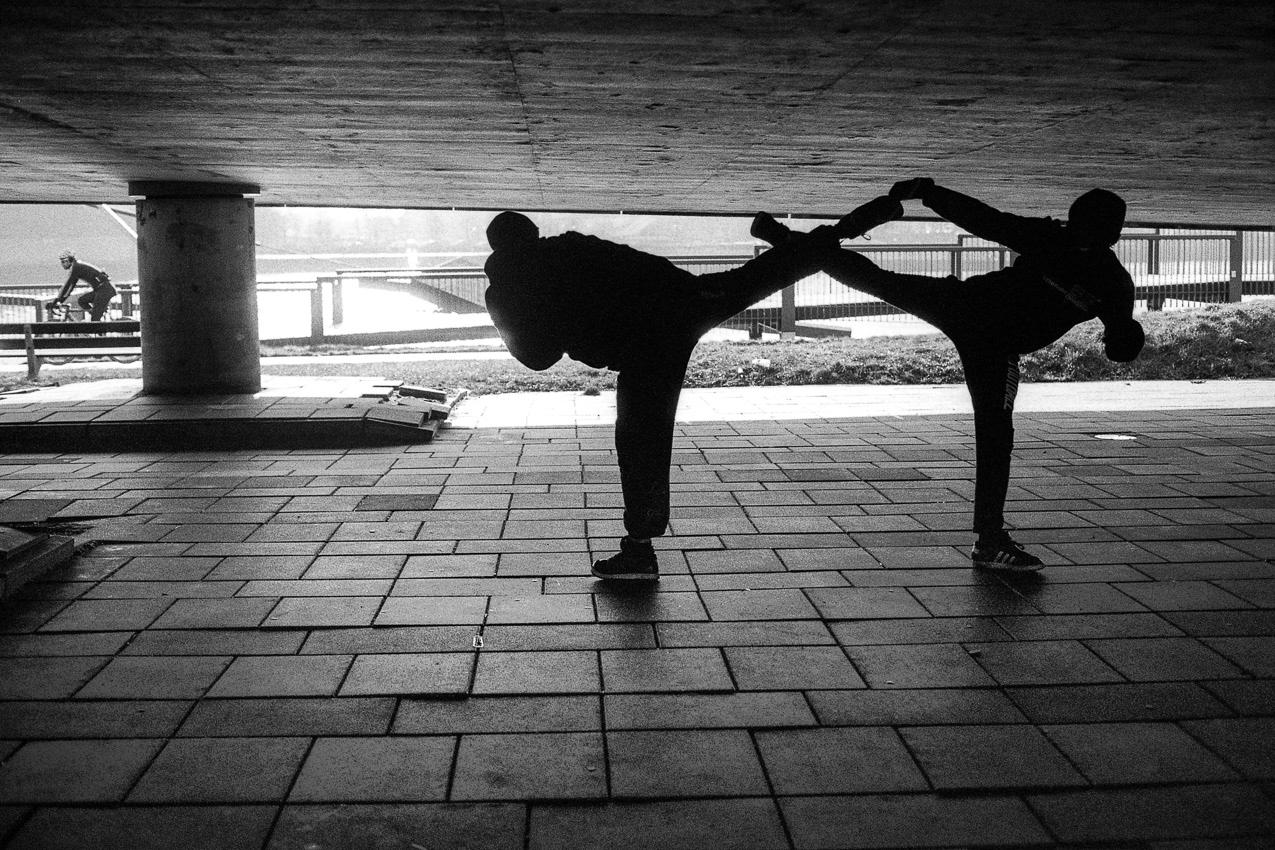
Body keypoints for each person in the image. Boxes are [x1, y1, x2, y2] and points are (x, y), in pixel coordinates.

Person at [484, 199, 900, 580]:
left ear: (497, 248)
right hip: (685, 300)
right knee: (760, 276)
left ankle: (640, 550)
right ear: (532, 233)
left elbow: (539, 358)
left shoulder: (509, 289)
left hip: (643, 350)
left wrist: (512, 314)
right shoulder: (572, 245)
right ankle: (832, 234)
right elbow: (642, 264)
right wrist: (691, 289)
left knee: (641, 444)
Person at [752, 180, 1145, 572]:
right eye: (1080, 228)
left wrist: (1124, 338)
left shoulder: (1105, 278)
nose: (1082, 236)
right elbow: (985, 220)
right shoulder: (1063, 247)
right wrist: (930, 193)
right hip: (972, 313)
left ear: (1109, 235)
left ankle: (793, 244)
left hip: (983, 329)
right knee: (885, 286)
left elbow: (1119, 341)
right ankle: (989, 540)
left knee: (994, 432)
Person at [50, 250, 117, 321]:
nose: (62, 264)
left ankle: (96, 319)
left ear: (69, 261)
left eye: (63, 261)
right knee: (82, 301)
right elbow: (70, 287)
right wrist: (59, 300)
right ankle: (96, 315)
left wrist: (57, 301)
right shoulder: (77, 266)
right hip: (103, 289)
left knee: (95, 320)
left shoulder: (76, 268)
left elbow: (68, 286)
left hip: (104, 290)